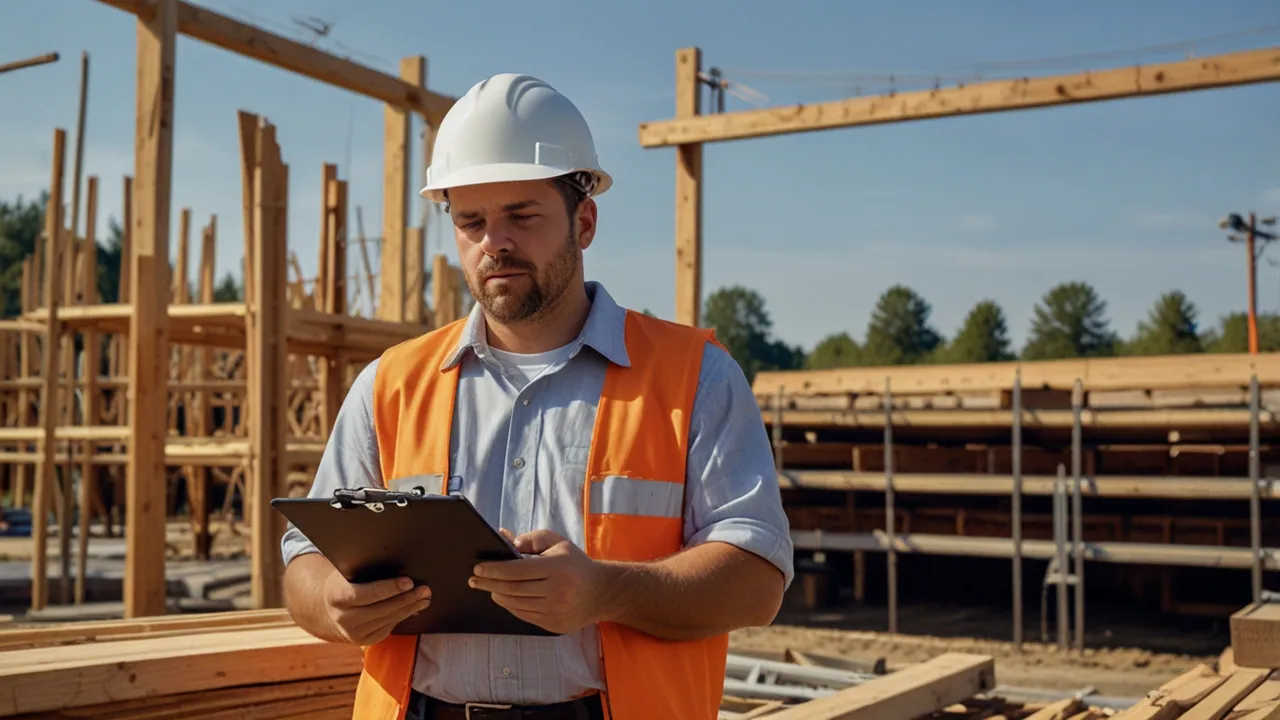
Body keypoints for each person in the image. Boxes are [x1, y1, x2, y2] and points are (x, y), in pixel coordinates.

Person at [280, 72, 794, 720]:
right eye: (471, 221)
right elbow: (304, 561)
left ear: (585, 220)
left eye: (522, 216)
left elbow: (756, 581)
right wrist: (333, 602)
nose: (494, 242)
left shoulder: (696, 379)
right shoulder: (391, 385)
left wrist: (607, 592)